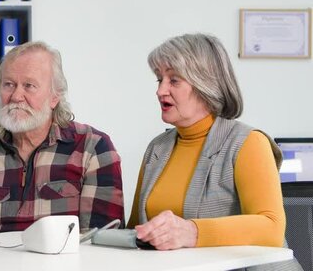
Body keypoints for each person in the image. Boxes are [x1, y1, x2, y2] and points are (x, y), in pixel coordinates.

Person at [128, 33, 301, 269]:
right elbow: (135, 230)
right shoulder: (157, 148)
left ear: (205, 84)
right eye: (159, 80)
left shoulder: (249, 142)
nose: (160, 91)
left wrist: (191, 231)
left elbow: (271, 227)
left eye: (174, 80)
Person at [0, 41, 124, 232]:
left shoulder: (93, 148)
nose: (16, 96)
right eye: (9, 85)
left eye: (29, 86)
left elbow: (102, 240)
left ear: (55, 97)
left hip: (65, 261)